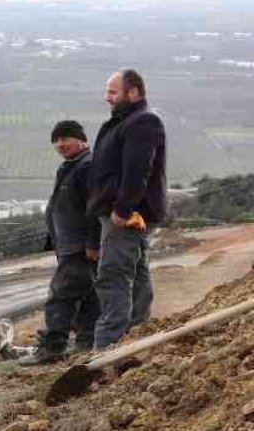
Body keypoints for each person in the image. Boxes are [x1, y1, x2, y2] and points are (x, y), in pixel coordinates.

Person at [88, 69, 167, 349]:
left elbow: (137, 171)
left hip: (127, 215)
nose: (107, 98)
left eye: (113, 92)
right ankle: (136, 336)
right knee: (136, 272)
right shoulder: (121, 122)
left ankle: (108, 347)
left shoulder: (143, 121)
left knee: (113, 274)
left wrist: (123, 210)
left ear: (133, 92)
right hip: (117, 211)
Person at [19, 120, 101, 366]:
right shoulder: (71, 167)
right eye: (56, 140)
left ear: (82, 140)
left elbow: (95, 209)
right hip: (70, 244)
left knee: (60, 295)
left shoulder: (86, 167)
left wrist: (93, 242)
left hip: (79, 246)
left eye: (65, 138)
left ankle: (53, 347)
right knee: (87, 296)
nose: (60, 144)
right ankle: (87, 343)